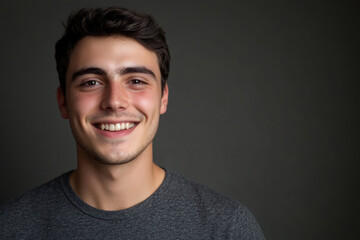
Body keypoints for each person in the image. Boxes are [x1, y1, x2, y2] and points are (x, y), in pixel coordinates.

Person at [0, 7, 265, 239]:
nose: (114, 101)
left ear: (163, 98)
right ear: (63, 102)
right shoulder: (11, 228)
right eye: (91, 82)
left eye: (136, 81)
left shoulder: (227, 228)